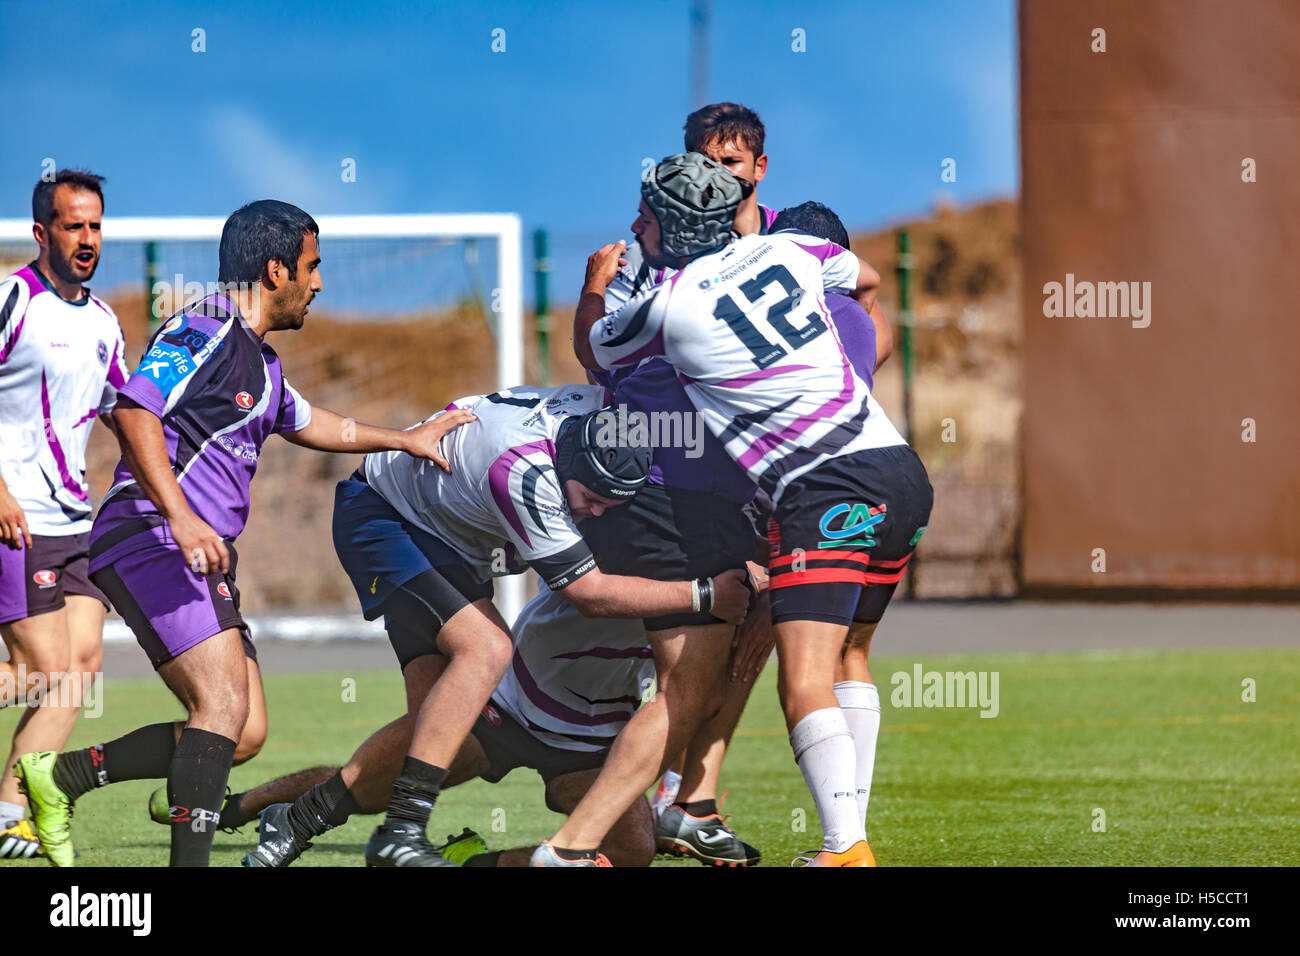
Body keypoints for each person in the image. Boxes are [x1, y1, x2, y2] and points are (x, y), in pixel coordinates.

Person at [16, 199, 474, 867]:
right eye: (312, 268)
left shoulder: (263, 364)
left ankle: (63, 777)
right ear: (276, 269)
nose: (318, 284)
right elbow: (136, 409)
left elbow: (315, 424)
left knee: (245, 728)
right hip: (149, 533)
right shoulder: (201, 328)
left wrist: (404, 439)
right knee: (221, 703)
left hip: (185, 549)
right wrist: (180, 515)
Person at [579, 154, 931, 868]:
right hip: (899, 470)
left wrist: (593, 285)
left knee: (803, 678)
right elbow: (863, 280)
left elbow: (597, 350)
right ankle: (848, 837)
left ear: (666, 227)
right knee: (847, 659)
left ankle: (846, 849)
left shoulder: (664, 307)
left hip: (821, 488)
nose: (635, 223)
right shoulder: (792, 249)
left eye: (644, 213)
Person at [243, 388, 751, 867]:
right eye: (590, 499)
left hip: (464, 548)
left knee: (434, 730)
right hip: (392, 518)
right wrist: (705, 594)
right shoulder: (526, 471)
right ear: (567, 465)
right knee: (484, 650)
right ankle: (400, 832)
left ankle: (294, 820)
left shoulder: (610, 419)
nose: (594, 514)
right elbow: (588, 595)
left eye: (609, 506)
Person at [227, 580, 659, 866]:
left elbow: (691, 698)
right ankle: (240, 807)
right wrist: (702, 595)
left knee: (631, 849)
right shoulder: (614, 513)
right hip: (505, 703)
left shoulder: (715, 551)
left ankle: (472, 863)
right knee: (371, 790)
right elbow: (591, 591)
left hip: (593, 733)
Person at [0, 170, 127, 859]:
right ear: (42, 232)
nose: (87, 239)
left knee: (78, 672)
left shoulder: (105, 322)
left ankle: (8, 811)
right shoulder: (12, 300)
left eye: (96, 226)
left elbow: (121, 415)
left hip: (77, 522)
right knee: (41, 670)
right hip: (14, 519)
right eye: (74, 225)